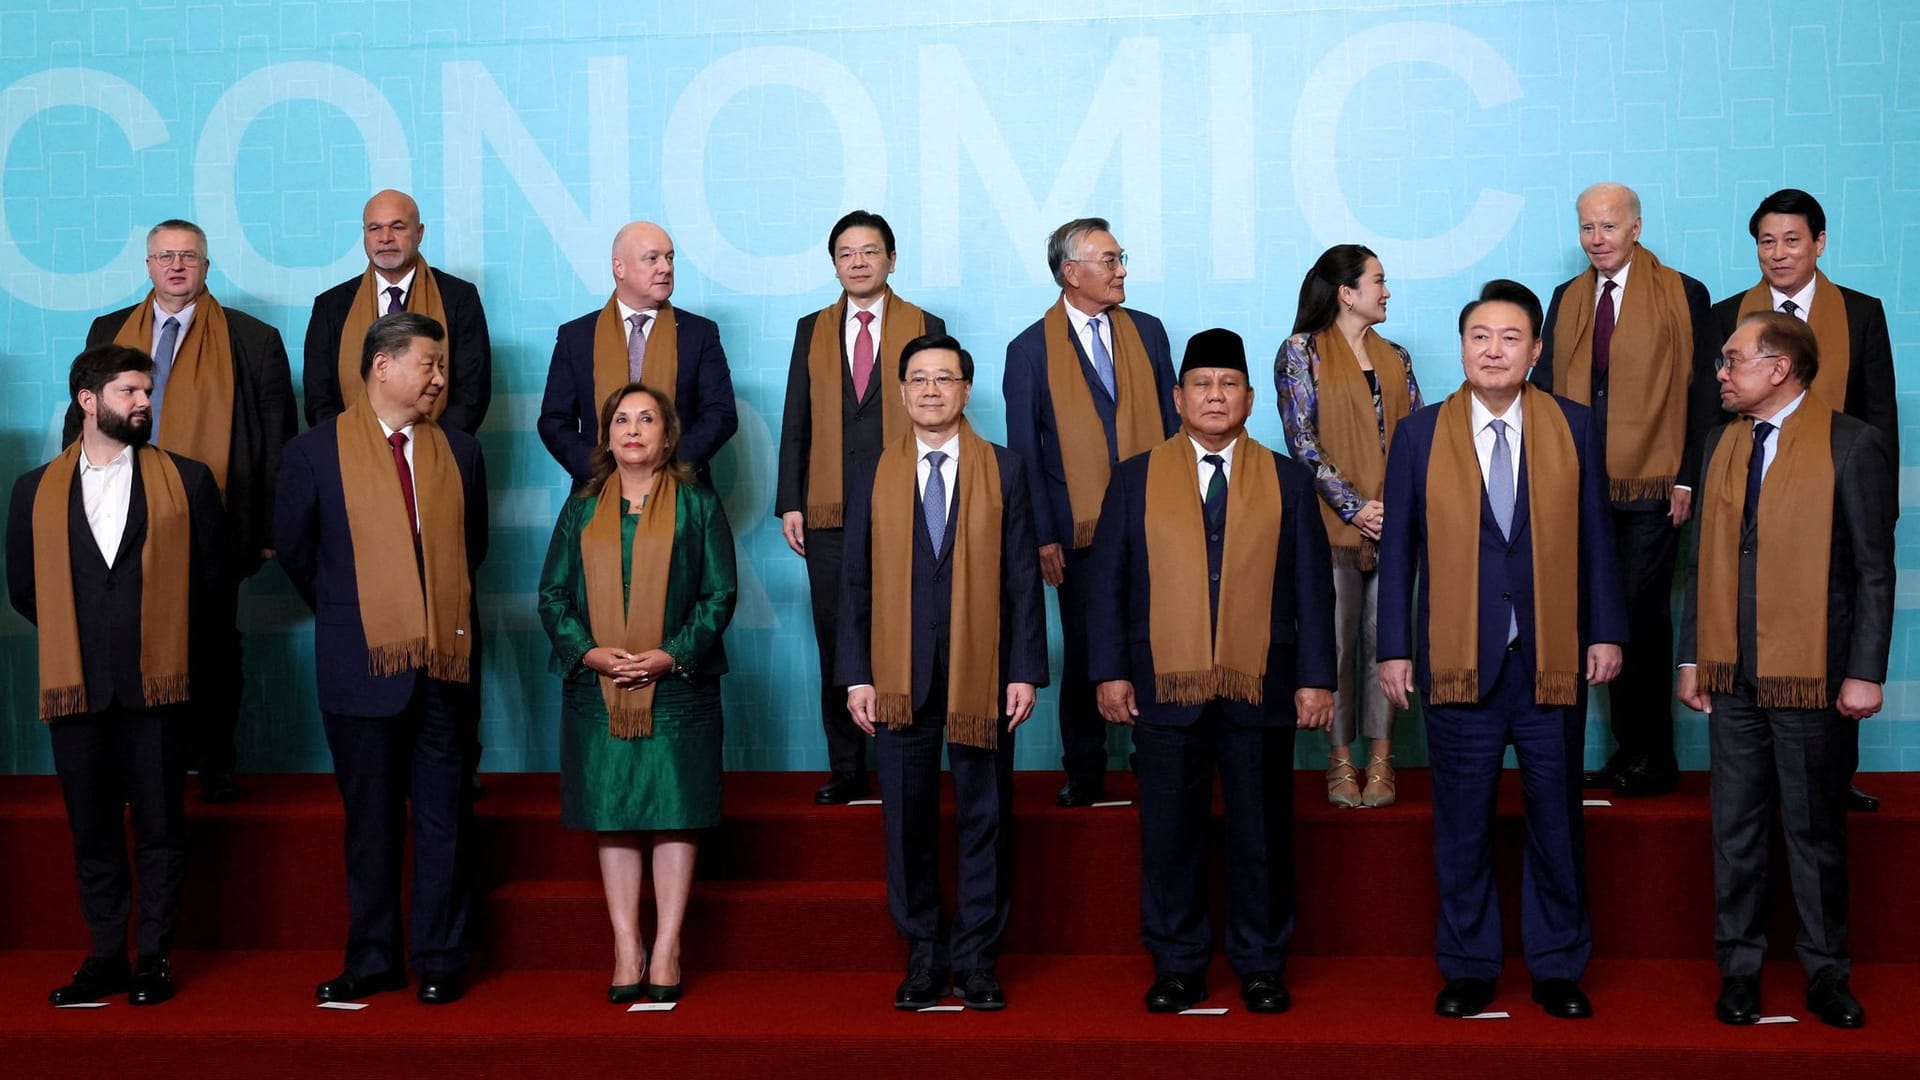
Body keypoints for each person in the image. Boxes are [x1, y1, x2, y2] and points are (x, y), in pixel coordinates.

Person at [1377, 280, 1627, 1020]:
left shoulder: (1574, 425)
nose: (1494, 350)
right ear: (1462, 347)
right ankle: (1469, 965)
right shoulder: (1420, 434)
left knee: (1557, 821)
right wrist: (1394, 648)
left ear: (1536, 351)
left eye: (1511, 338)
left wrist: (1606, 628)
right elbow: (1399, 553)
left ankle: (1556, 965)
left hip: (1551, 658)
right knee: (1462, 823)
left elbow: (1596, 540)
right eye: (1480, 336)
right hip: (1458, 661)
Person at [1086, 328, 1337, 1014]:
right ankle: (1178, 964)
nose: (1216, 396)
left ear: (1251, 399)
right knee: (1169, 833)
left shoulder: (1288, 478)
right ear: (1178, 397)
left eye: (1229, 385)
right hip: (1164, 683)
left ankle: (1261, 963)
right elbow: (1107, 583)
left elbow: (1314, 586)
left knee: (1261, 831)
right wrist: (1110, 670)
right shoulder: (1135, 477)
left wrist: (1317, 676)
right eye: (1202, 384)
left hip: (1263, 683)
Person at [1678, 312, 1892, 1029]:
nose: (1721, 372)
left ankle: (1826, 974)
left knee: (1812, 831)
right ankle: (1738, 971)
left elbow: (1872, 570)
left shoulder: (1852, 443)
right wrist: (1691, 657)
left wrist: (1864, 671)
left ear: (1779, 369)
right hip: (1731, 673)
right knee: (1733, 830)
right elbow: (1704, 560)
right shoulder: (1718, 444)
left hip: (1814, 676)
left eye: (1732, 360)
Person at [275, 313, 488, 1005]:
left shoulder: (460, 451)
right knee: (368, 823)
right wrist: (364, 613)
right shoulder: (312, 454)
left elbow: (471, 549)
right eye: (427, 364)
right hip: (358, 665)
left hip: (446, 667)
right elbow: (300, 558)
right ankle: (372, 958)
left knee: (444, 818)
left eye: (441, 365)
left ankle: (441, 956)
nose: (438, 378)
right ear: (381, 368)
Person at [8, 344, 225, 1006]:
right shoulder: (31, 490)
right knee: (92, 830)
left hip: (157, 690)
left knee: (161, 827)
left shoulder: (187, 482)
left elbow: (213, 590)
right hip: (76, 692)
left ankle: (154, 958)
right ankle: (106, 954)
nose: (143, 403)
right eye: (130, 391)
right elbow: (23, 590)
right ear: (88, 401)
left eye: (146, 392)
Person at [837, 333, 1047, 1011]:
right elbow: (855, 581)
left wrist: (1022, 669)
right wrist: (857, 673)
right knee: (906, 822)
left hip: (981, 674)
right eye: (919, 379)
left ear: (964, 390)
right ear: (901, 394)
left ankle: (978, 959)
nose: (931, 390)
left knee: (985, 818)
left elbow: (1022, 578)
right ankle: (924, 957)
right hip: (897, 678)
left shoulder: (1005, 469)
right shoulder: (872, 470)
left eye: (945, 379)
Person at [70, 218, 297, 803]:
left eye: (188, 257)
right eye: (164, 256)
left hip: (216, 515)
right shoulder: (107, 330)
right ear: (148, 265)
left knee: (213, 642)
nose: (176, 266)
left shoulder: (253, 338)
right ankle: (132, 768)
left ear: (206, 265)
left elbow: (278, 442)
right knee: (125, 640)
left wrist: (270, 526)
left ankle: (215, 764)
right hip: (119, 510)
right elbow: (81, 420)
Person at [539, 382, 737, 1005]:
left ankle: (670, 945)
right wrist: (593, 656)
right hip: (598, 688)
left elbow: (719, 594)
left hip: (679, 686)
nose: (632, 430)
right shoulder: (581, 507)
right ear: (606, 435)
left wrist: (669, 655)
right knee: (614, 812)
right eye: (620, 419)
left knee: (675, 811)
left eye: (646, 419)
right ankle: (628, 943)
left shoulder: (698, 505)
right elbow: (552, 596)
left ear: (668, 435)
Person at [1711, 188, 1898, 815]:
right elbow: (1708, 411)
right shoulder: (1729, 315)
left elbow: (1881, 418)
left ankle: (1827, 780)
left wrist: (1876, 510)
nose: (1779, 252)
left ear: (1819, 243)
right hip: (1754, 495)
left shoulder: (1862, 312)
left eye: (1792, 239)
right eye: (1766, 241)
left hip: (1835, 505)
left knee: (1832, 642)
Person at [1532, 183, 1720, 798]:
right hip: (1580, 486)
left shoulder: (1684, 293)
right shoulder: (1566, 298)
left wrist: (1690, 472)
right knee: (1600, 619)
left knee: (1641, 616)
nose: (1597, 240)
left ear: (1637, 228)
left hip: (1656, 484)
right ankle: (1626, 753)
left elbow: (1703, 393)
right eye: (1587, 228)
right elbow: (1544, 390)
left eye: (1608, 227)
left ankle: (1653, 755)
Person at [1003, 217, 1177, 806]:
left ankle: (1154, 758)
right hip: (1074, 530)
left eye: (1120, 257)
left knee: (1155, 641)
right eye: (1110, 259)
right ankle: (1084, 770)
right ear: (1070, 272)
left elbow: (1174, 430)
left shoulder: (1150, 333)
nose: (1122, 269)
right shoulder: (1028, 349)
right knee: (1084, 651)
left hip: (1155, 518)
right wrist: (1043, 536)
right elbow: (1025, 452)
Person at [776, 211, 947, 805]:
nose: (858, 262)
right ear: (834, 264)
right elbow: (796, 416)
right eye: (846, 253)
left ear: (891, 260)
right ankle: (847, 766)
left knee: (911, 625)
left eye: (870, 252)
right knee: (836, 633)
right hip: (828, 510)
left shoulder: (926, 323)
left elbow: (941, 411)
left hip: (907, 501)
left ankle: (912, 754)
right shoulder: (812, 328)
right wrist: (790, 502)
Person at [1275, 245, 1423, 808]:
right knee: (1333, 642)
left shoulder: (1398, 357)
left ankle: (1382, 760)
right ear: (1345, 291)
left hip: (1396, 523)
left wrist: (1397, 508)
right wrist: (1355, 505)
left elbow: (1414, 440)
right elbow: (1302, 442)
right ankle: (1339, 762)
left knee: (1387, 643)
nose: (1386, 291)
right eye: (1378, 281)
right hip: (1329, 527)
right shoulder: (1300, 353)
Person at [539, 221, 738, 486]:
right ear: (619, 267)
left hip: (682, 488)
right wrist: (598, 471)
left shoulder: (699, 333)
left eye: (669, 258)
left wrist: (669, 469)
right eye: (652, 258)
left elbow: (721, 414)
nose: (665, 268)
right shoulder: (575, 337)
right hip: (598, 491)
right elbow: (554, 421)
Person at [304, 189, 492, 434]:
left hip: (439, 451)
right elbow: (319, 399)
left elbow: (472, 393)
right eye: (374, 228)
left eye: (397, 227)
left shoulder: (458, 297)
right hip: (351, 456)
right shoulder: (330, 306)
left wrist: (426, 447)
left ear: (419, 233)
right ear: (365, 235)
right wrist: (350, 446)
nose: (385, 238)